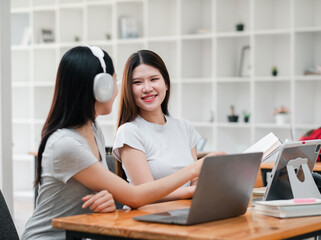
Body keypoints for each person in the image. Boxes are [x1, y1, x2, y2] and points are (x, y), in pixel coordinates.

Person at [22, 46, 207, 240]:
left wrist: (107, 200)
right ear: (102, 88)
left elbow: (101, 192)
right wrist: (195, 169)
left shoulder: (93, 130)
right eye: (114, 80)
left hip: (81, 234)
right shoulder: (65, 144)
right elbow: (134, 196)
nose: (118, 89)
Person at [113, 50, 209, 202]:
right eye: (137, 82)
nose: (147, 88)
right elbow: (145, 194)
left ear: (166, 84)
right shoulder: (129, 132)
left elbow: (194, 182)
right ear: (129, 89)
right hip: (147, 217)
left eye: (153, 79)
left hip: (185, 212)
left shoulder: (185, 127)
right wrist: (193, 190)